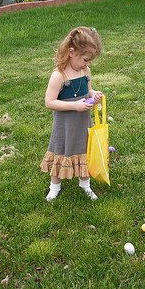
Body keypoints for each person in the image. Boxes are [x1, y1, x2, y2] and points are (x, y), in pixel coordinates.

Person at [40, 26, 103, 201]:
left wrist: (94, 94)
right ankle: (55, 186)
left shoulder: (85, 71)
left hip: (83, 122)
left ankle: (85, 184)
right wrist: (74, 106)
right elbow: (49, 102)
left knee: (84, 149)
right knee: (60, 149)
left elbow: (88, 90)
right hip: (65, 125)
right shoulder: (59, 76)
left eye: (90, 60)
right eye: (85, 59)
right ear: (71, 52)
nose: (88, 64)